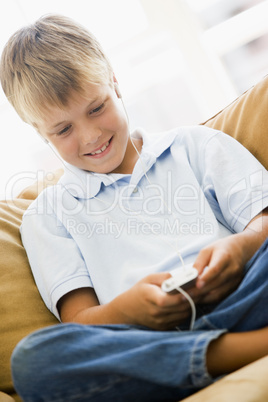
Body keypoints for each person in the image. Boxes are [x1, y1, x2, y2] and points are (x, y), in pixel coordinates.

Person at [0, 14, 267, 402]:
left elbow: (262, 222)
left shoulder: (195, 146)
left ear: (114, 83)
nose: (91, 136)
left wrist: (240, 248)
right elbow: (80, 322)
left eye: (96, 108)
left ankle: (217, 355)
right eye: (63, 130)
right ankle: (241, 351)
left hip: (242, 299)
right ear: (40, 132)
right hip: (146, 344)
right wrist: (130, 310)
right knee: (33, 360)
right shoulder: (47, 216)